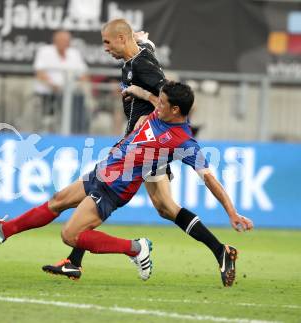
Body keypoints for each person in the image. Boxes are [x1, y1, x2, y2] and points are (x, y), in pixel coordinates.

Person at [0, 81, 254, 287]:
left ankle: (136, 248)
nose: (156, 106)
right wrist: (137, 88)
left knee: (70, 235)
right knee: (57, 201)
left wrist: (231, 212)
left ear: (176, 110)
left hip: (115, 187)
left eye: (162, 103)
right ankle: (4, 230)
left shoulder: (184, 141)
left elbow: (209, 178)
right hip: (103, 170)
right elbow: (152, 100)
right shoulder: (161, 113)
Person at [41, 19, 223, 282]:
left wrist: (149, 108)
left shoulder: (141, 65)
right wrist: (141, 39)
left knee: (114, 194)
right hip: (142, 143)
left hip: (147, 145)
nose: (105, 49)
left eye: (107, 42)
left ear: (122, 39)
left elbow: (166, 92)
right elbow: (146, 47)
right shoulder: (137, 56)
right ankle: (74, 260)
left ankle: (215, 250)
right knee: (164, 207)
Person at [33, 30, 88, 132]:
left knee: (80, 102)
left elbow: (83, 75)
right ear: (55, 41)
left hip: (71, 93)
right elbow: (40, 73)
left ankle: (77, 132)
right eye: (62, 40)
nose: (64, 43)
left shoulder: (74, 53)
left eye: (67, 40)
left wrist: (77, 85)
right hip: (48, 93)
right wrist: (55, 86)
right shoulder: (45, 51)